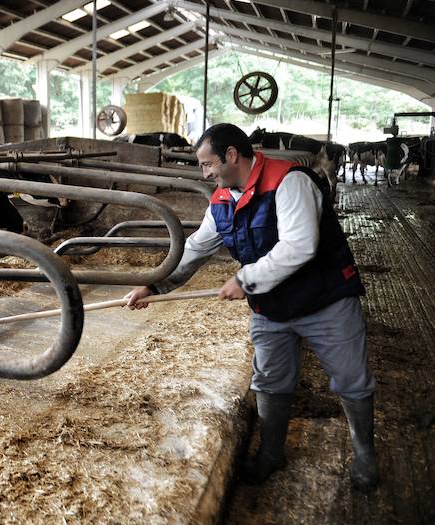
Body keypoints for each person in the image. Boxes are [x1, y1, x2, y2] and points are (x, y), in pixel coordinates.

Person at [125, 123, 378, 489]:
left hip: (326, 300)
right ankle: (272, 454)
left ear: (231, 155)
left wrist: (244, 280)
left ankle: (365, 453)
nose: (205, 173)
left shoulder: (289, 182)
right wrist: (155, 284)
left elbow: (300, 246)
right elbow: (195, 249)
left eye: (207, 164)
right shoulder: (223, 200)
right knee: (270, 382)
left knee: (351, 379)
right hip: (271, 308)